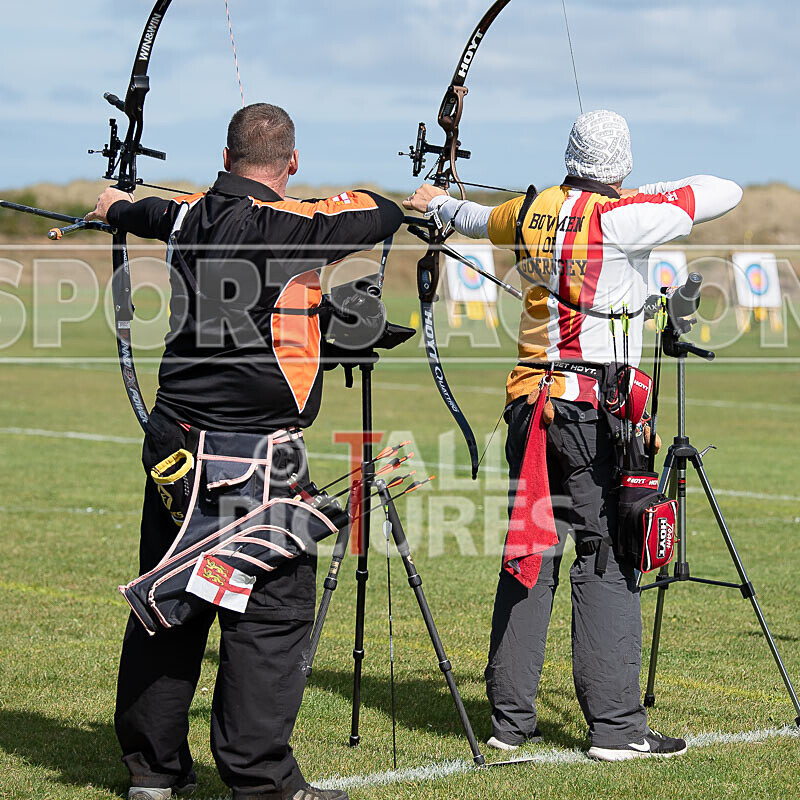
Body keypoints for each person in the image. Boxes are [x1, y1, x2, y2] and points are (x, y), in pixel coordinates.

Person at [404, 109, 742, 761]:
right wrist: (648, 193)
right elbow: (723, 190)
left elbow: (474, 218)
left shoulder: (532, 211)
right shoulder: (627, 215)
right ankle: (617, 729)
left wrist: (437, 200)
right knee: (606, 556)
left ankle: (508, 722)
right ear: (620, 166)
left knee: (531, 552)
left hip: (531, 410)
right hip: (593, 417)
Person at [88, 103, 403, 800]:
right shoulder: (296, 223)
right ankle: (260, 781)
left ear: (225, 157)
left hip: (177, 452)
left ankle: (152, 773)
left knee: (173, 600)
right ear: (290, 163)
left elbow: (147, 215)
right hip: (260, 461)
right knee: (271, 615)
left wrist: (115, 205)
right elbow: (381, 212)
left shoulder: (191, 215)